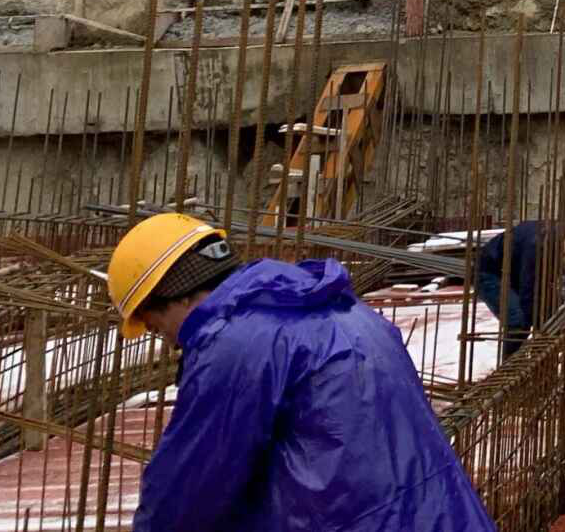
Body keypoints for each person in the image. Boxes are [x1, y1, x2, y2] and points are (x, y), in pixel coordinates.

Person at [105, 211, 496, 532]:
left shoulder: (238, 343)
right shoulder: (343, 311)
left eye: (156, 327)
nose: (170, 343)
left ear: (174, 296)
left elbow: (186, 494)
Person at [472, 220, 554, 359]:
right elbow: (528, 288)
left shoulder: (561, 235)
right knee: (518, 321)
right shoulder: (537, 243)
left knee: (549, 315)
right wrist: (537, 322)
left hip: (513, 272)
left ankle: (540, 363)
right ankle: (509, 365)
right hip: (489, 274)